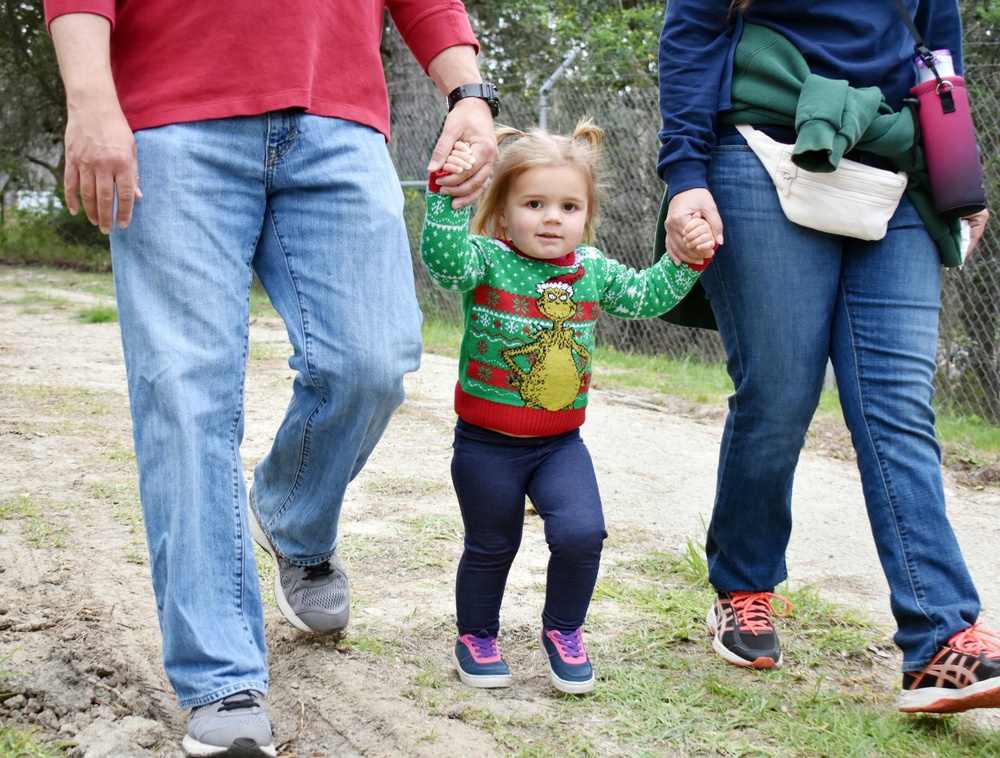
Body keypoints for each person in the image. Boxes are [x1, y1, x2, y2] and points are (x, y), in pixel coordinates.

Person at [44, 1, 499, 754]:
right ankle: (221, 678)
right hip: (172, 119)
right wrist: (91, 100)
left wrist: (469, 94)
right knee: (185, 394)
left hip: (340, 120)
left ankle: (289, 516)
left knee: (373, 359)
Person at [657, 0, 999, 714]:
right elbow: (692, 31)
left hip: (896, 167)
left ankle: (940, 642)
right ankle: (745, 587)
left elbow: (939, 45)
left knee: (897, 404)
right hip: (758, 151)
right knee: (779, 394)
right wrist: (686, 174)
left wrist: (958, 164)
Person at [420, 123, 713, 694]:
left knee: (583, 533)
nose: (553, 217)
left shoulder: (593, 270)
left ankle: (564, 632)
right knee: (492, 545)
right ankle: (476, 635)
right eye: (534, 204)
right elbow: (444, 262)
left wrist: (685, 261)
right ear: (503, 214)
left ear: (586, 214)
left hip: (559, 445)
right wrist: (447, 196)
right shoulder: (486, 260)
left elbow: (649, 295)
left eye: (568, 206)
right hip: (486, 445)